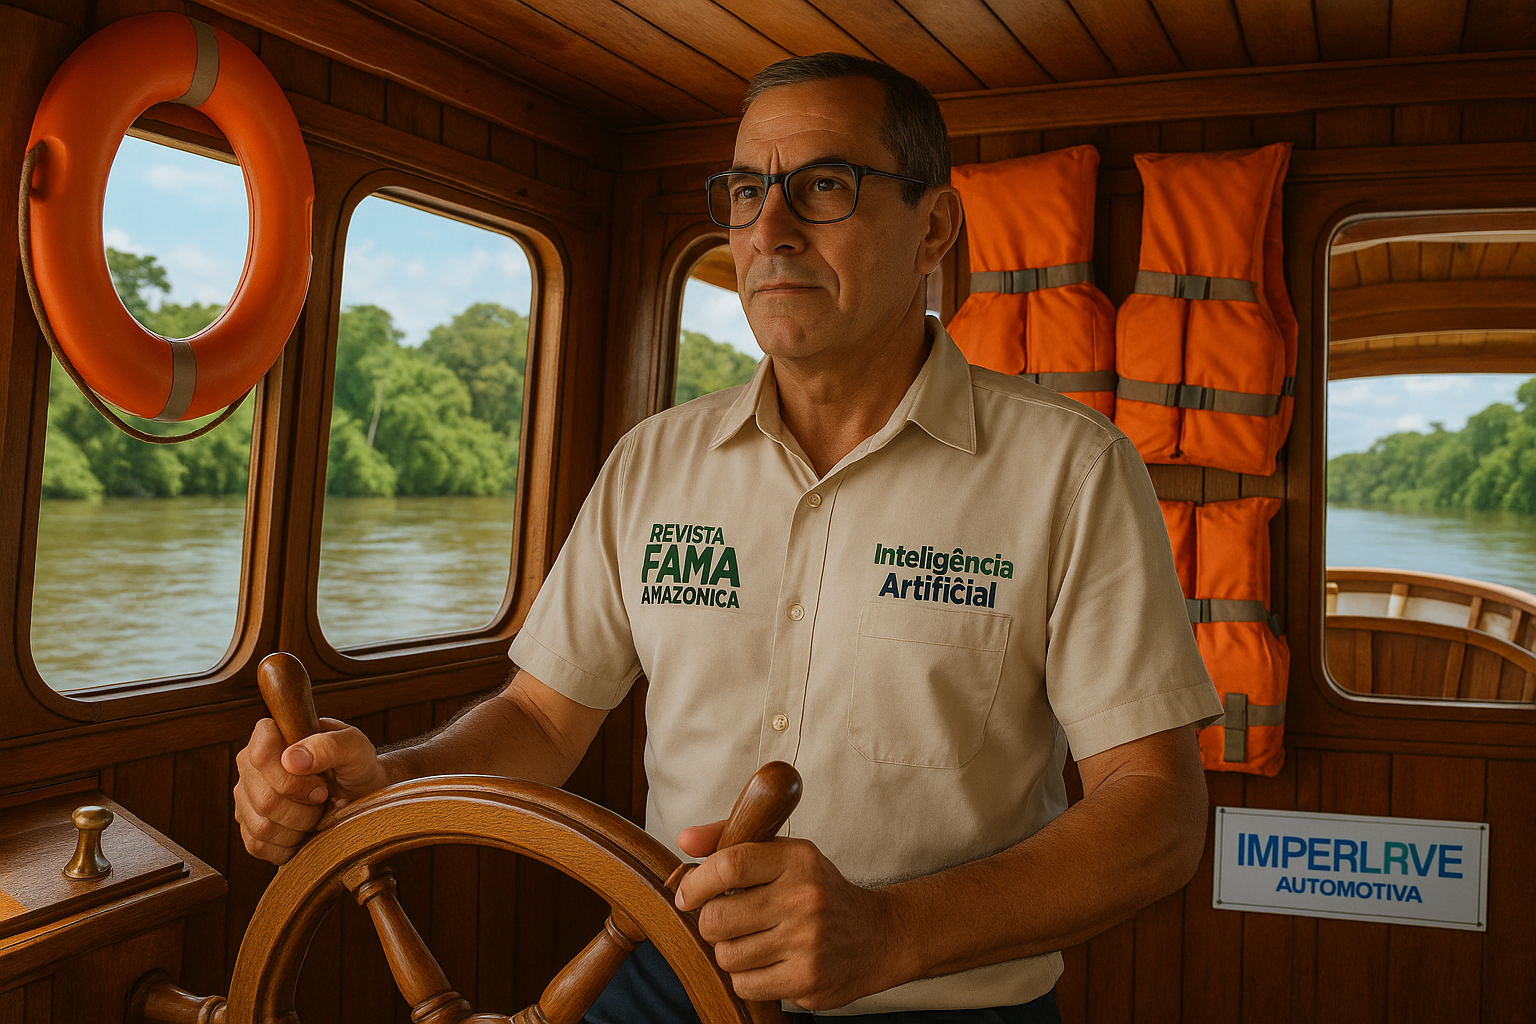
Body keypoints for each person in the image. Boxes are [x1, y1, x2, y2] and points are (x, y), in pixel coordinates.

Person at [234, 53, 1221, 1024]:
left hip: (937, 998)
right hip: (664, 977)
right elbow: (541, 720)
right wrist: (389, 780)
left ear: (934, 227)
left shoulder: (1071, 470)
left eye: (824, 185)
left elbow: (1158, 814)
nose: (771, 231)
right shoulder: (653, 463)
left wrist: (889, 930)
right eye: (748, 191)